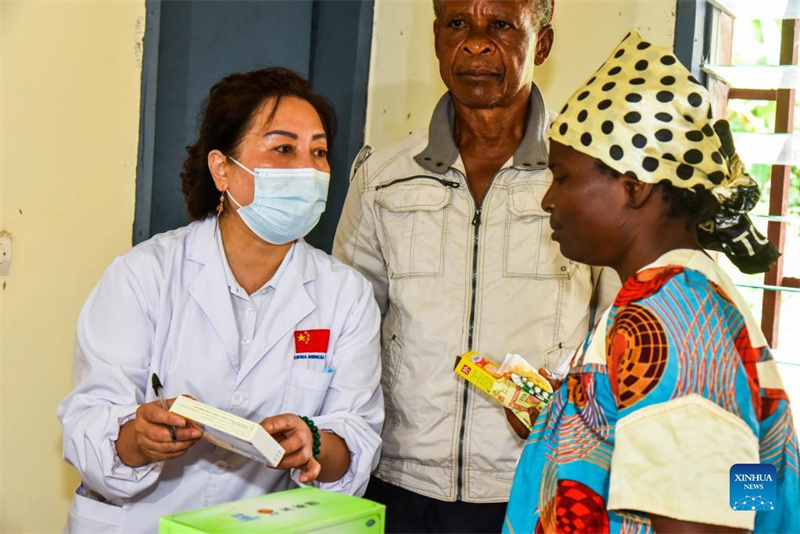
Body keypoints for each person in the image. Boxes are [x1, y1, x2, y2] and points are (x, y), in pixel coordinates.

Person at [57, 67, 384, 534]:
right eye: (283, 148)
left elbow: (355, 437)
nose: (308, 170)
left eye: (319, 152)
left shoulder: (345, 295)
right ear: (223, 169)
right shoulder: (144, 275)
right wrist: (139, 437)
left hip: (264, 524)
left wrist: (313, 444)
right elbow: (87, 427)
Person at [333, 1, 616, 531]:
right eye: (458, 24)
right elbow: (348, 328)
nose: (477, 43)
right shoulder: (383, 179)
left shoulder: (585, 179)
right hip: (399, 482)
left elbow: (618, 330)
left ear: (543, 43)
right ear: (437, 38)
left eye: (502, 26)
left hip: (538, 482)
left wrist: (568, 400)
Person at [504, 30, 799, 533]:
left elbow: (704, 524)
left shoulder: (669, 320)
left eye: (564, 176)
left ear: (634, 188)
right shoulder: (685, 300)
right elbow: (749, 481)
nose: (548, 200)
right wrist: (567, 423)